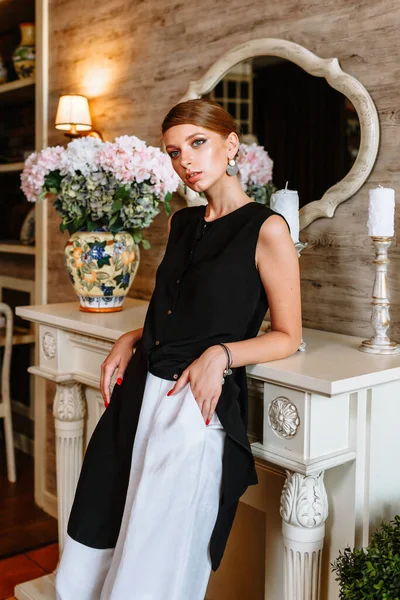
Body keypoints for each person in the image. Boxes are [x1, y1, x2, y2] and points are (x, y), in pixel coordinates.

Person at [55, 98, 302, 600]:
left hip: (190, 408)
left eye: (197, 143)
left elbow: (288, 336)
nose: (185, 160)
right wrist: (132, 337)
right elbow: (180, 311)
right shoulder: (182, 223)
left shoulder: (267, 228)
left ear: (231, 145)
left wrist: (222, 355)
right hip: (137, 394)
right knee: (94, 539)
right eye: (173, 152)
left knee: (155, 564)